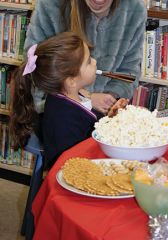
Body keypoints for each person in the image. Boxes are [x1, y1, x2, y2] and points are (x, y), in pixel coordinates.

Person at [24, 0, 147, 115]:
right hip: (56, 113)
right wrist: (85, 99)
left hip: (103, 118)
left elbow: (129, 72)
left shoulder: (134, 9)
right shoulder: (51, 3)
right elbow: (36, 68)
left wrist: (109, 97)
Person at [10, 32, 105, 168]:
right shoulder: (63, 120)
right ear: (71, 81)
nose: (94, 61)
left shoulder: (71, 95)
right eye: (89, 61)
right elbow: (71, 166)